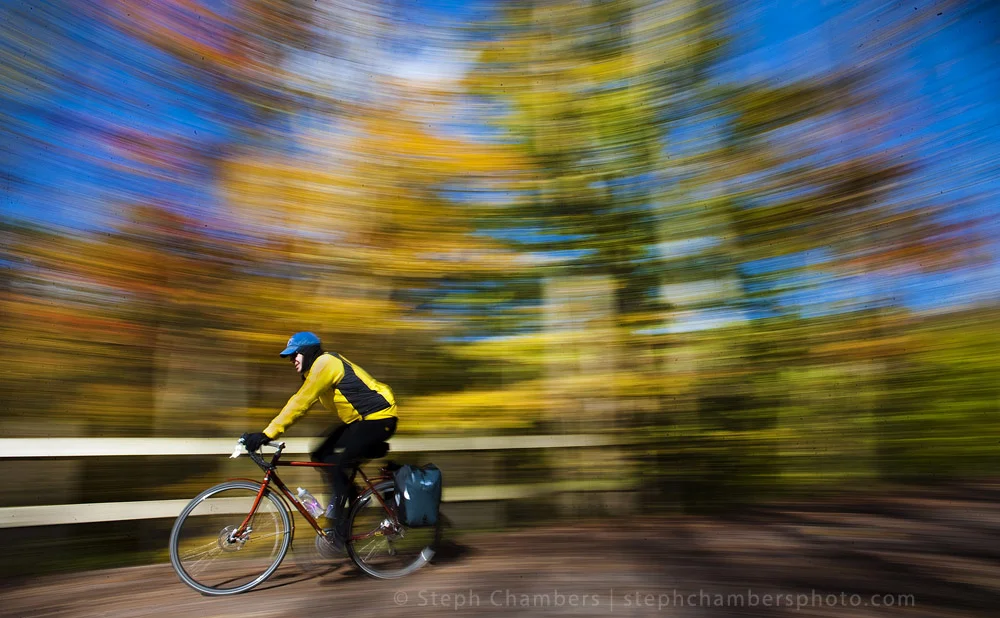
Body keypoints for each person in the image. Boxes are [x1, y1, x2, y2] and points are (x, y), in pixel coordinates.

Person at [242, 331, 398, 551]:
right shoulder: (316, 371)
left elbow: (301, 401)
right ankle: (351, 496)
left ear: (307, 351)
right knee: (320, 453)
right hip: (360, 422)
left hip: (379, 418)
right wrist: (269, 432)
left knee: (339, 464)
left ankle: (340, 527)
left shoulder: (325, 363)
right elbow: (303, 406)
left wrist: (267, 434)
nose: (292, 360)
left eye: (295, 354)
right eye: (289, 356)